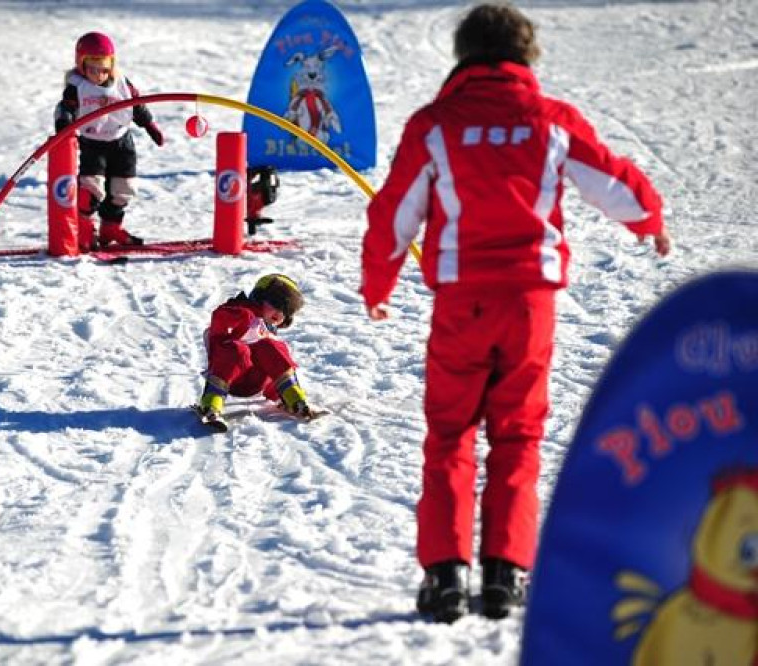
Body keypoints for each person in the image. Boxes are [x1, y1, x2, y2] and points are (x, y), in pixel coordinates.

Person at [360, 2, 672, 624]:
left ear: (463, 56)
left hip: (462, 301)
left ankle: (445, 576)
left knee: (451, 432)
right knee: (518, 434)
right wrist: (649, 220)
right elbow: (611, 180)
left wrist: (378, 284)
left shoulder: (435, 125)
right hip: (530, 302)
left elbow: (395, 211)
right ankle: (507, 572)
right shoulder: (551, 120)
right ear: (526, 56)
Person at [54, 31, 164, 250]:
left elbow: (137, 104)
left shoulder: (122, 83)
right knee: (90, 189)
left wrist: (150, 125)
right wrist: (64, 124)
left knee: (124, 187)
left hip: (121, 141)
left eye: (104, 69)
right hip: (93, 142)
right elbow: (65, 108)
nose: (99, 75)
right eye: (93, 69)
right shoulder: (77, 87)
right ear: (81, 65)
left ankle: (111, 228)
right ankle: (85, 228)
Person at [196, 274, 312, 422]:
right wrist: (240, 315)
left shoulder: (268, 333)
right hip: (229, 377)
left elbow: (276, 365)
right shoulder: (238, 312)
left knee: (271, 347)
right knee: (238, 350)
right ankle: (211, 403)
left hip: (257, 382)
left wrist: (278, 397)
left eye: (286, 311)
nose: (279, 313)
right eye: (275, 304)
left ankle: (294, 398)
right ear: (259, 298)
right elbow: (218, 326)